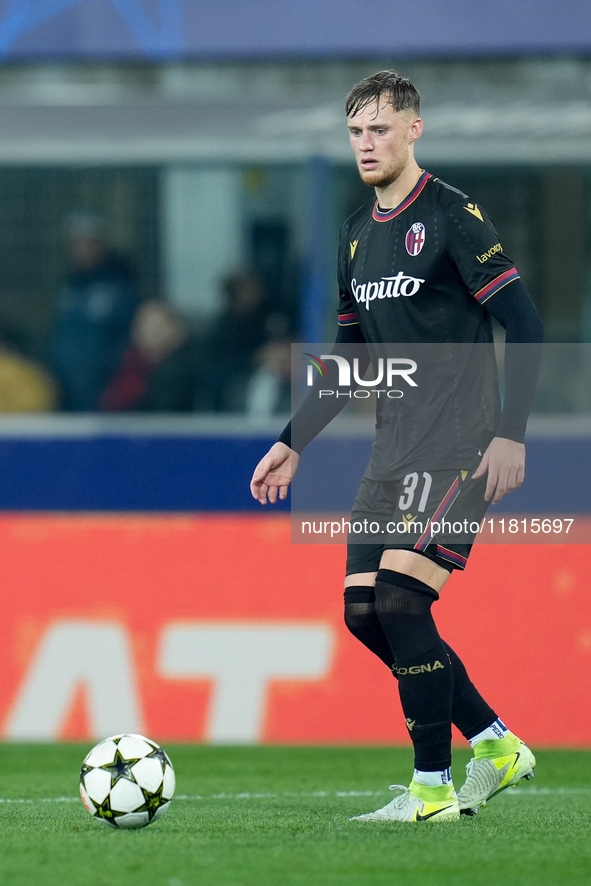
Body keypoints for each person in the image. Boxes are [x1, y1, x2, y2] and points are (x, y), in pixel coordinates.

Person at [250, 71, 544, 823]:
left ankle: (431, 792)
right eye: (354, 132)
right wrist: (294, 442)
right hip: (394, 448)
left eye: (379, 129)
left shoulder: (451, 217)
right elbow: (348, 355)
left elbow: (526, 323)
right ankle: (493, 742)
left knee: (400, 599)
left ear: (414, 129)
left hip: (462, 443)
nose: (365, 144)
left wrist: (510, 436)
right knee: (363, 614)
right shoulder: (355, 231)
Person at [49, 212, 140, 411]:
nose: (82, 249)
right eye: (75, 243)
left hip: (103, 389)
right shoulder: (69, 286)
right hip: (66, 388)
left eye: (88, 242)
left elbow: (129, 337)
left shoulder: (120, 284)